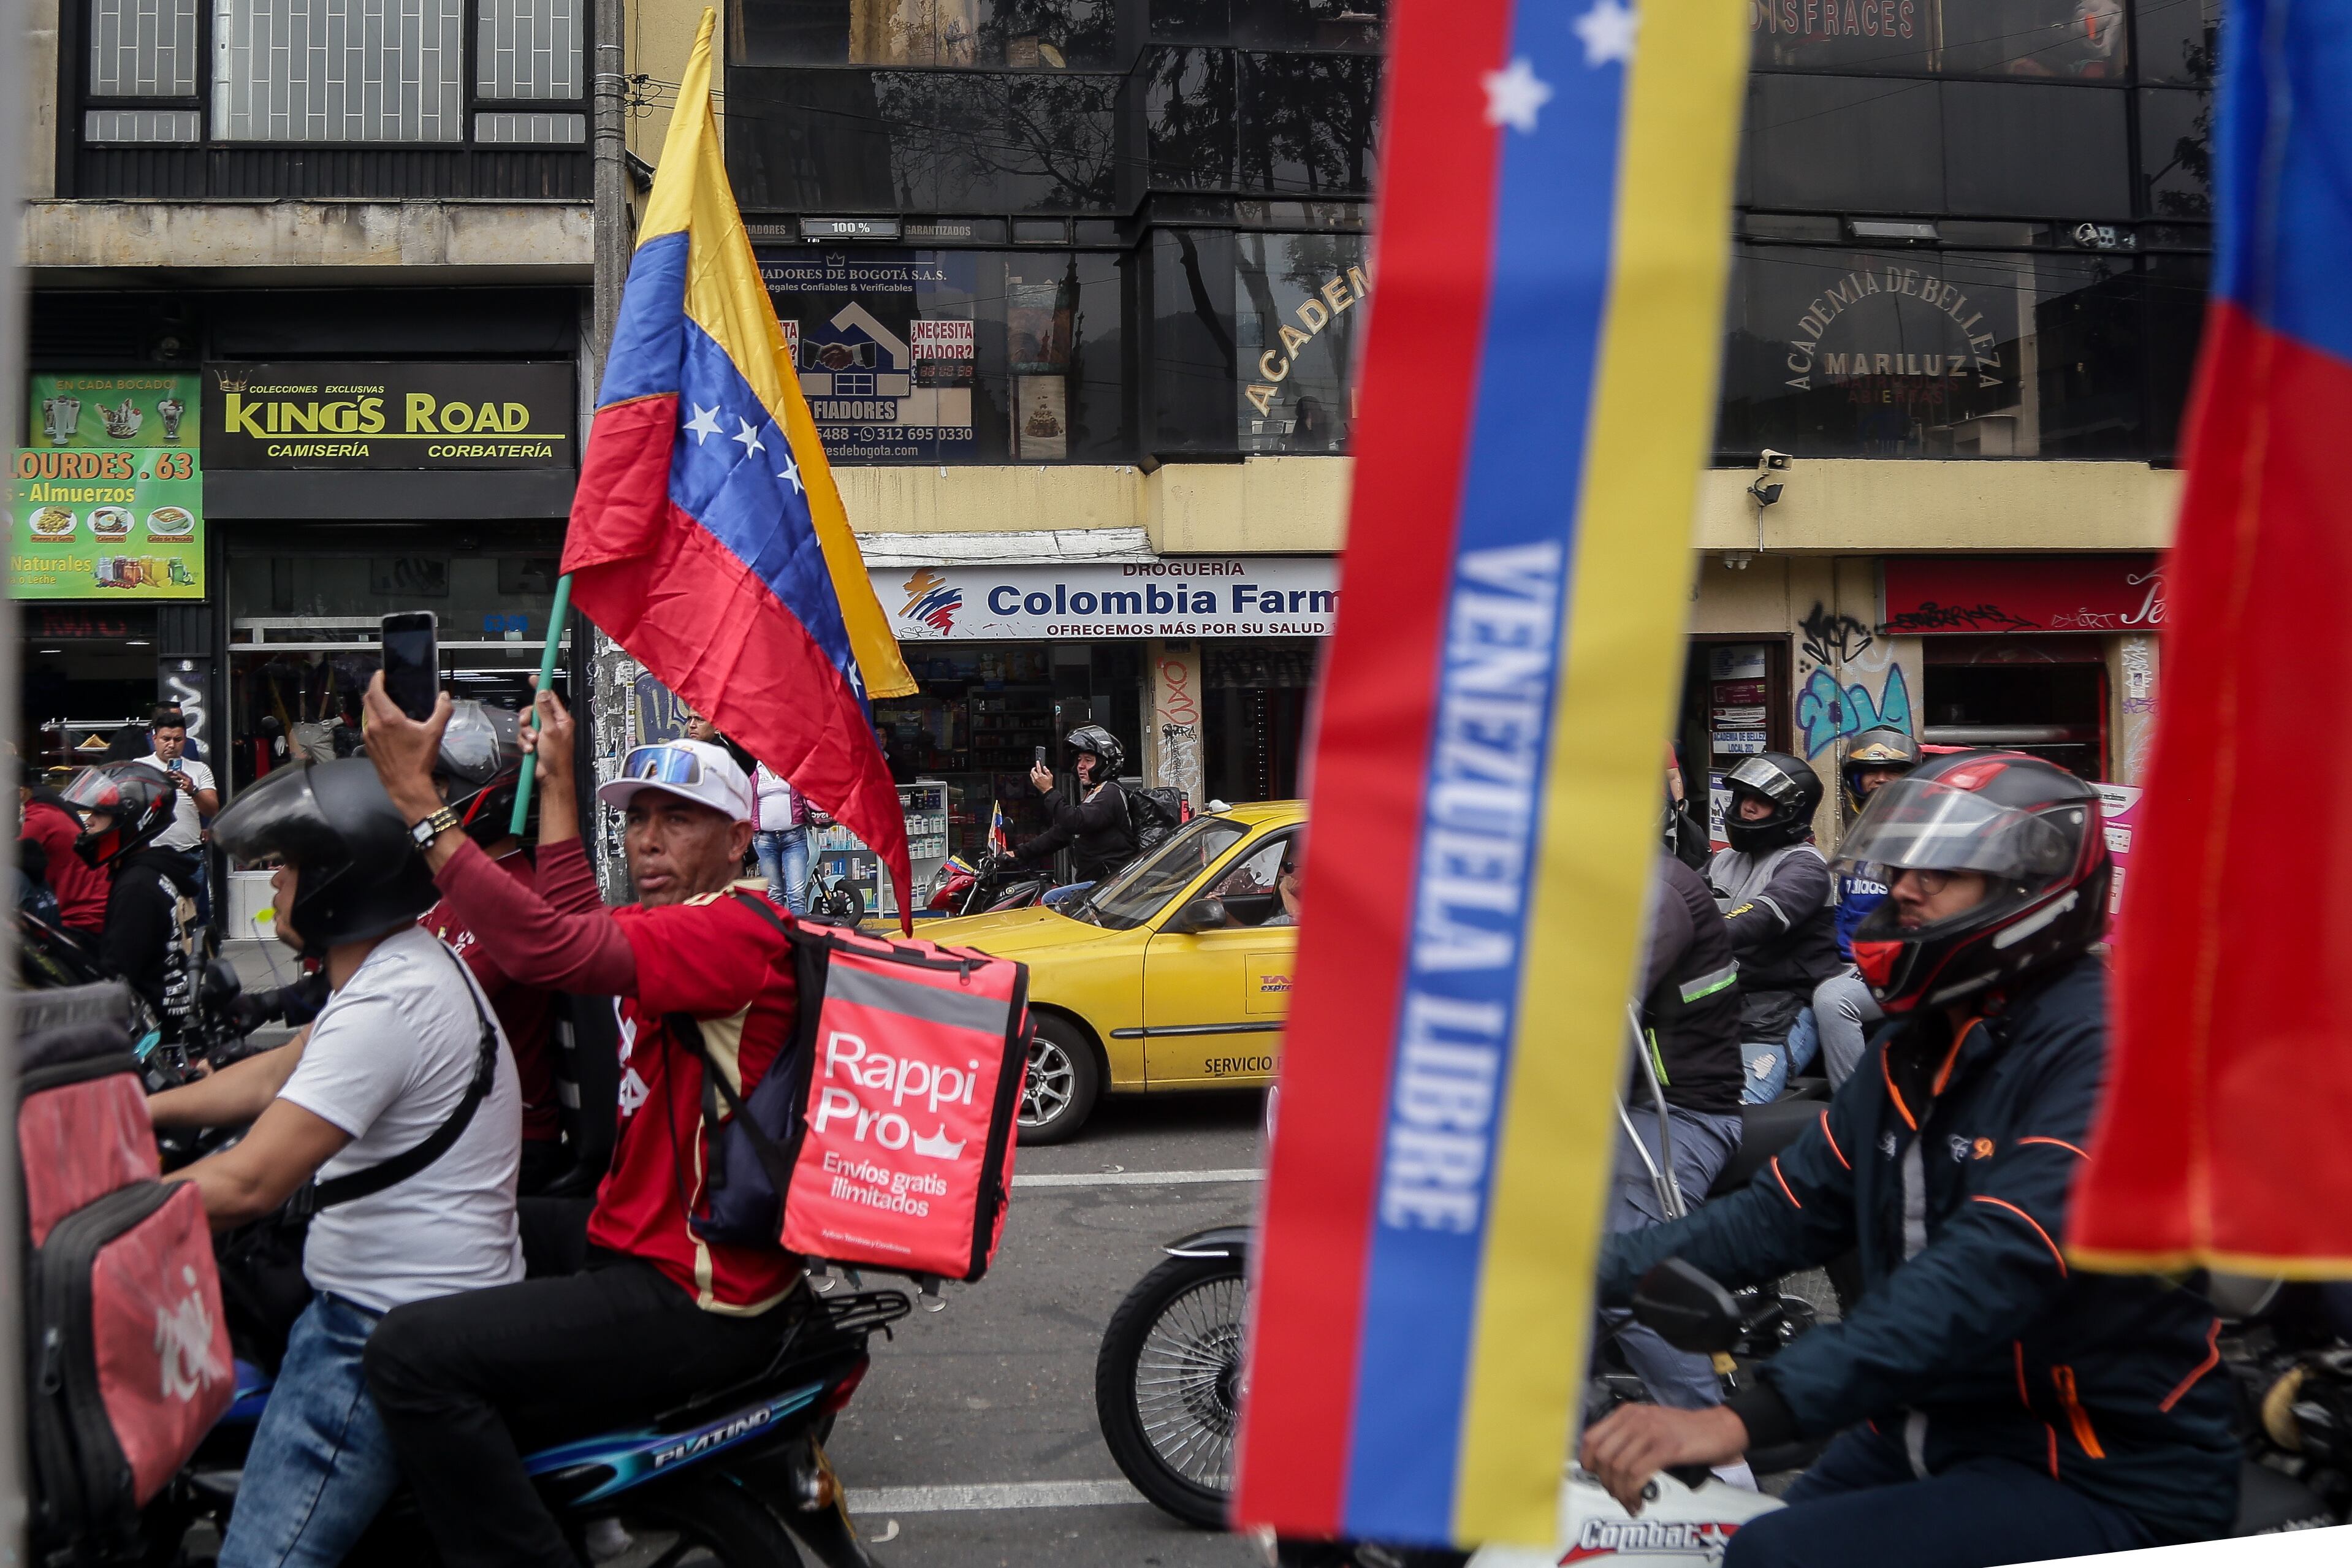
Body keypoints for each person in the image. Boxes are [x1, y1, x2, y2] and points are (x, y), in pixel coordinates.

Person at [1581, 752, 2239, 1567]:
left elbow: (2000, 1259)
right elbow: (1777, 1213)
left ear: (2029, 893)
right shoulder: (1917, 1044)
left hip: (2089, 1461)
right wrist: (1554, 1271)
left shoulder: (2104, 1049)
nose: (1904, 888)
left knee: (1776, 1556)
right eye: (1902, 866)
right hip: (1922, 1425)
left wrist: (1748, 1413)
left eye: (1945, 871)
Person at [357, 678, 805, 1568]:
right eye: (638, 817)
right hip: (640, 1236)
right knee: (433, 1226)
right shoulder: (676, 923)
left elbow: (545, 947)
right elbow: (575, 924)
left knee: (410, 1356)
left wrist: (418, 804)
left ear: (738, 839)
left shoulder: (731, 932)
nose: (648, 839)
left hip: (687, 1287)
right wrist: (558, 778)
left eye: (679, 819)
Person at [150, 759, 523, 1568]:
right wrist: (135, 1110)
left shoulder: (388, 1001)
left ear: (337, 879)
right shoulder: (400, 968)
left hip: (370, 1329)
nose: (276, 880)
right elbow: (284, 1068)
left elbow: (249, 1182)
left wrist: (98, 1205)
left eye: (289, 864)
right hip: (413, 1299)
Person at [1603, 853, 1748, 1423]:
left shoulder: (1653, 889)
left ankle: (1715, 1456)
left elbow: (1596, 1005)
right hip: (1607, 1106)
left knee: (1620, 1272)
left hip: (1678, 1112)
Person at [416, 702, 566, 1193]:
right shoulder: (451, 890)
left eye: (437, 788)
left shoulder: (516, 895)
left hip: (501, 1138)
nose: (423, 803)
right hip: (447, 1118)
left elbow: (425, 1011)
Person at [1707, 752, 1841, 1102]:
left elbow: (1761, 916)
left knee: (1736, 1105)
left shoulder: (1806, 868)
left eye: (1762, 801)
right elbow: (1677, 900)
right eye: (1745, 797)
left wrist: (1699, 932)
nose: (1748, 808)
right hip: (1718, 1002)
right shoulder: (1722, 861)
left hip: (1780, 1011)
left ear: (1789, 812)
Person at [1808, 727, 1922, 1086]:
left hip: (1897, 967)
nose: (1880, 780)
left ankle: (1854, 1109)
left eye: (1894, 772)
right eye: (1871, 772)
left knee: (1832, 1001)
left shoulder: (1924, 842)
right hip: (1844, 962)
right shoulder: (1858, 842)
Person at [59, 761, 197, 1014]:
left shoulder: (137, 887)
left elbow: (118, 976)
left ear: (131, 820)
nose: (88, 822)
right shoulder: (151, 874)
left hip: (147, 1033)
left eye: (99, 814)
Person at [1018, 723, 1136, 886]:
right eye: (1079, 760)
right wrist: (1018, 854)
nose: (1081, 766)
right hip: (1094, 886)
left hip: (1108, 888)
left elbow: (1075, 822)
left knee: (1049, 899)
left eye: (1088, 760)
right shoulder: (1095, 793)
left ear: (1105, 764)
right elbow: (1061, 834)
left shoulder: (1111, 793)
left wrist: (1049, 791)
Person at [133, 705, 218, 921]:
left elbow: (212, 809)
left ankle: (194, 955)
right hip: (152, 855)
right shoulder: (139, 768)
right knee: (154, 917)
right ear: (155, 739)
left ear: (185, 740)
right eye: (166, 739)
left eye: (178, 740)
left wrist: (192, 789)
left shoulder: (199, 769)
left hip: (189, 856)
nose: (172, 745)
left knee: (192, 918)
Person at [20, 772, 110, 939]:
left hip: (83, 919)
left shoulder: (36, 820)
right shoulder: (46, 809)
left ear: (21, 792)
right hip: (88, 912)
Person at [750, 757, 811, 914]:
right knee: (774, 894)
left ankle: (798, 936)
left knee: (796, 894)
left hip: (794, 837)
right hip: (764, 839)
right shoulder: (755, 769)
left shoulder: (792, 767)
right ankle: (777, 937)